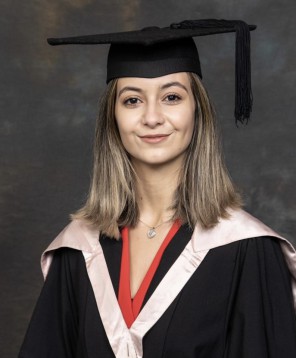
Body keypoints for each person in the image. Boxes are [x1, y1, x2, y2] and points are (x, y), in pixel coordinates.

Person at [19, 20, 296, 358]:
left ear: (198, 112)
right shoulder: (78, 251)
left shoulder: (248, 250)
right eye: (132, 100)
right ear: (113, 118)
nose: (152, 117)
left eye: (171, 97)